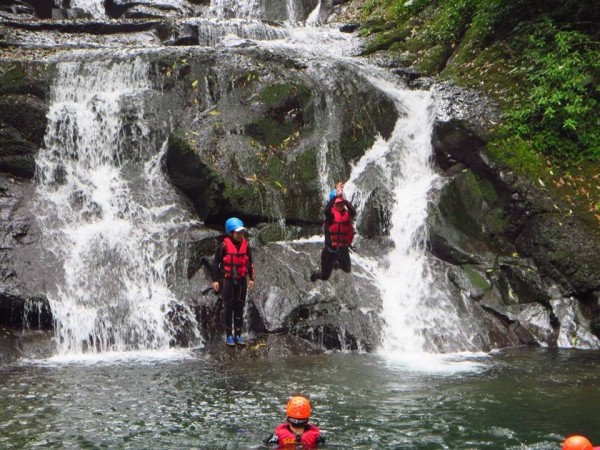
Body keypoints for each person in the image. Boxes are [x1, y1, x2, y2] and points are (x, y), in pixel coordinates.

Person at [211, 217, 255, 346]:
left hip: (241, 280)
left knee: (239, 307)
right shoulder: (223, 246)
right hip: (227, 280)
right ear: (231, 233)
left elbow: (250, 262)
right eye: (237, 232)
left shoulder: (246, 245)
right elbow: (215, 263)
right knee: (229, 307)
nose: (240, 234)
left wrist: (252, 278)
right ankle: (229, 335)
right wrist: (215, 280)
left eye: (241, 232)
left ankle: (239, 335)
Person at [310, 181, 356, 282]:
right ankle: (315, 274)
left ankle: (336, 263)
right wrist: (336, 195)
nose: (340, 206)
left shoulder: (346, 214)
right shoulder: (330, 215)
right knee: (324, 276)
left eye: (341, 204)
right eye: (337, 204)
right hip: (330, 251)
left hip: (342, 249)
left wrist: (344, 199)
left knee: (347, 268)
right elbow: (326, 210)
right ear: (333, 204)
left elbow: (353, 212)